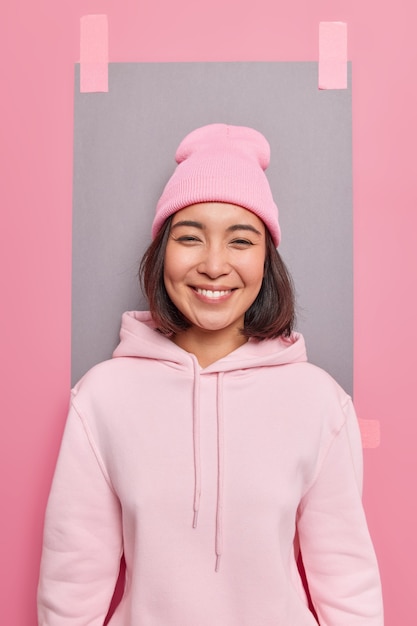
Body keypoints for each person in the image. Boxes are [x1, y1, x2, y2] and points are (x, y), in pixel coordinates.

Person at [37, 123, 384, 625]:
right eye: (191, 238)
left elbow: (348, 586)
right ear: (161, 254)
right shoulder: (101, 399)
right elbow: (71, 587)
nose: (215, 265)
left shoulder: (320, 403)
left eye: (241, 240)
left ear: (267, 258)